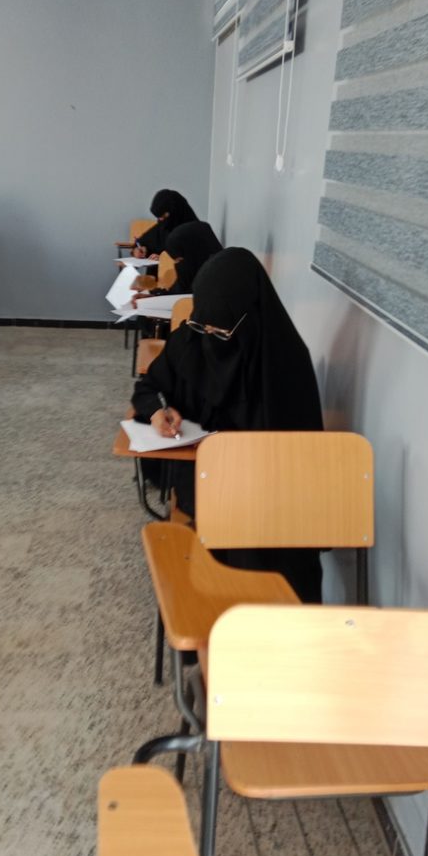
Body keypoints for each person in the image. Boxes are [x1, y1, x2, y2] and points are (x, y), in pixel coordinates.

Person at [131, 247, 324, 602]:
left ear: (249, 318)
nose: (207, 336)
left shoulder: (284, 366)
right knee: (212, 566)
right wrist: (160, 410)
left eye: (220, 332)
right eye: (201, 325)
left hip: (267, 500)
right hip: (203, 480)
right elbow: (148, 387)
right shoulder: (191, 338)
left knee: (265, 564)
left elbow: (297, 462)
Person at [132, 220, 222, 307]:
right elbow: (177, 292)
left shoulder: (218, 281)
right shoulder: (197, 267)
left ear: (195, 252)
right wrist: (153, 296)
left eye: (179, 260)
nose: (177, 265)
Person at [131, 189, 198, 260]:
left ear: (175, 211)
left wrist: (164, 258)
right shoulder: (163, 226)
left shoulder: (194, 231)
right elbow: (143, 241)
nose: (160, 220)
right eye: (159, 217)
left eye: (163, 216)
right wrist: (140, 249)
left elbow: (190, 257)